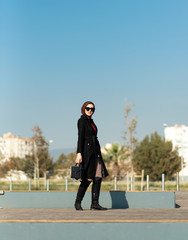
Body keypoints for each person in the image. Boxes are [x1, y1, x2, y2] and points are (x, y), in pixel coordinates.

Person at [74, 101, 109, 210]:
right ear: (83, 108)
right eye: (88, 108)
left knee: (98, 177)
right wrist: (79, 153)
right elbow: (80, 138)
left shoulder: (91, 122)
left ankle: (95, 203)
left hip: (96, 153)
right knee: (87, 178)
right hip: (87, 153)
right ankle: (77, 202)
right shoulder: (82, 121)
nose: (90, 111)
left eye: (92, 109)